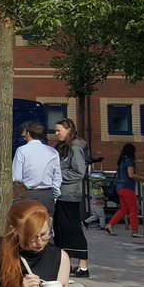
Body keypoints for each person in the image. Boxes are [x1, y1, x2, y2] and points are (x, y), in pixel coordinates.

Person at [53, 119, 90, 277]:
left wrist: (58, 175)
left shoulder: (75, 147)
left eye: (59, 130)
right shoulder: (63, 146)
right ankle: (65, 264)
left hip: (70, 195)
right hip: (61, 194)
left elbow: (79, 172)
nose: (56, 133)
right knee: (60, 228)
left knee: (72, 228)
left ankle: (83, 266)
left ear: (68, 130)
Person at [12, 121, 62, 216]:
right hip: (48, 194)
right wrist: (54, 196)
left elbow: (16, 178)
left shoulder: (21, 151)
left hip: (28, 193)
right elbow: (57, 177)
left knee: (29, 226)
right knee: (46, 226)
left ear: (28, 134)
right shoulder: (53, 152)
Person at [106, 143, 144, 238]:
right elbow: (131, 175)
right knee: (134, 209)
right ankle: (135, 231)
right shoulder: (129, 161)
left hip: (119, 187)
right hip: (127, 188)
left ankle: (110, 225)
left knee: (124, 209)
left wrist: (138, 175)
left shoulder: (122, 161)